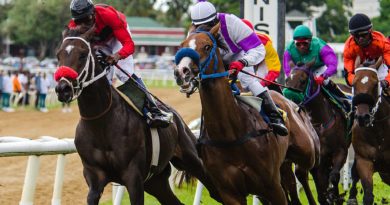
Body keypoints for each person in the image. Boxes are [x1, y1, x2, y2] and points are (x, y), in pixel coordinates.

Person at [189, 0, 288, 136]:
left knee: (248, 80)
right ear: (194, 25)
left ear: (215, 20)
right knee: (206, 84)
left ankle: (275, 116)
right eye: (199, 27)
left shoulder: (232, 22)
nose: (204, 31)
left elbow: (258, 49)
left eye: (208, 26)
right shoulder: (193, 32)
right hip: (215, 59)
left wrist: (243, 62)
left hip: (237, 55)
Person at [68, 0, 170, 128]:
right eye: (79, 21)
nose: (83, 25)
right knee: (101, 78)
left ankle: (153, 111)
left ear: (93, 13)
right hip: (100, 43)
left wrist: (117, 56)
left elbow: (129, 45)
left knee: (123, 73)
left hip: (117, 37)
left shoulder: (108, 15)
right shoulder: (73, 27)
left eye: (86, 20)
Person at [283, 25, 350, 111]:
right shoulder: (288, 49)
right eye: (298, 44)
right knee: (290, 84)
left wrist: (324, 75)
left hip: (317, 68)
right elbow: (288, 69)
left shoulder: (320, 46)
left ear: (310, 41)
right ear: (294, 42)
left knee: (325, 81)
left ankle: (342, 100)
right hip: (299, 70)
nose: (302, 46)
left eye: (305, 43)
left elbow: (333, 64)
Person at [343, 13, 390, 89]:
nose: (360, 39)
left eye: (364, 35)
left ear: (370, 31)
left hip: (379, 66)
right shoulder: (348, 48)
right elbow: (348, 75)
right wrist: (355, 81)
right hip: (359, 68)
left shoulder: (382, 42)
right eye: (357, 36)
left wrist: (387, 81)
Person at [241, 19, 282, 93]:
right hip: (244, 68)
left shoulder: (265, 44)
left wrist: (262, 85)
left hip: (261, 68)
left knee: (259, 79)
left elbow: (274, 70)